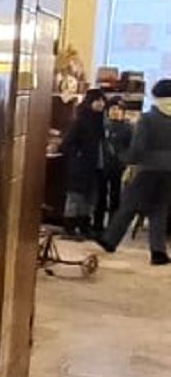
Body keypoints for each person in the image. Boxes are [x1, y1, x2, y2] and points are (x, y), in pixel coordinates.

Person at [100, 77, 171, 265]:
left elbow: (137, 149)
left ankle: (109, 241)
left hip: (148, 168)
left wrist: (124, 157)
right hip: (169, 171)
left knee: (129, 204)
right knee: (159, 209)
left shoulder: (147, 119)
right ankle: (158, 252)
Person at [60, 86, 108, 239]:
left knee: (89, 198)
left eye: (102, 100)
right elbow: (66, 144)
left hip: (96, 166)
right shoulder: (80, 121)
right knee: (75, 197)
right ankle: (69, 228)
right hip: (80, 166)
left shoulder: (100, 121)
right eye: (97, 100)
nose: (101, 104)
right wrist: (78, 155)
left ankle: (84, 226)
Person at [95, 93, 133, 238]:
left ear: (123, 111)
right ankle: (97, 225)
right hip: (102, 166)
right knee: (100, 196)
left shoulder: (128, 128)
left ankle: (112, 227)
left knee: (116, 197)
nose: (115, 112)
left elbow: (131, 148)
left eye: (118, 109)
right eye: (112, 109)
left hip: (118, 167)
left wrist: (125, 161)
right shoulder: (102, 126)